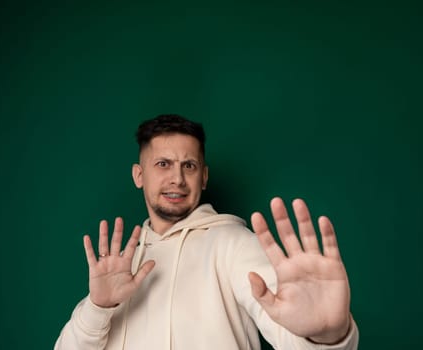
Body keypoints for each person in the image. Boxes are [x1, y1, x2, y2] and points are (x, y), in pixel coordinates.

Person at [54, 114, 359, 350]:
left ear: (204, 177)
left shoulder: (234, 243)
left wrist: (327, 334)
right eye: (163, 164)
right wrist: (99, 307)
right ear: (139, 175)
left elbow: (290, 330)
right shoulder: (120, 265)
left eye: (189, 165)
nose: (177, 178)